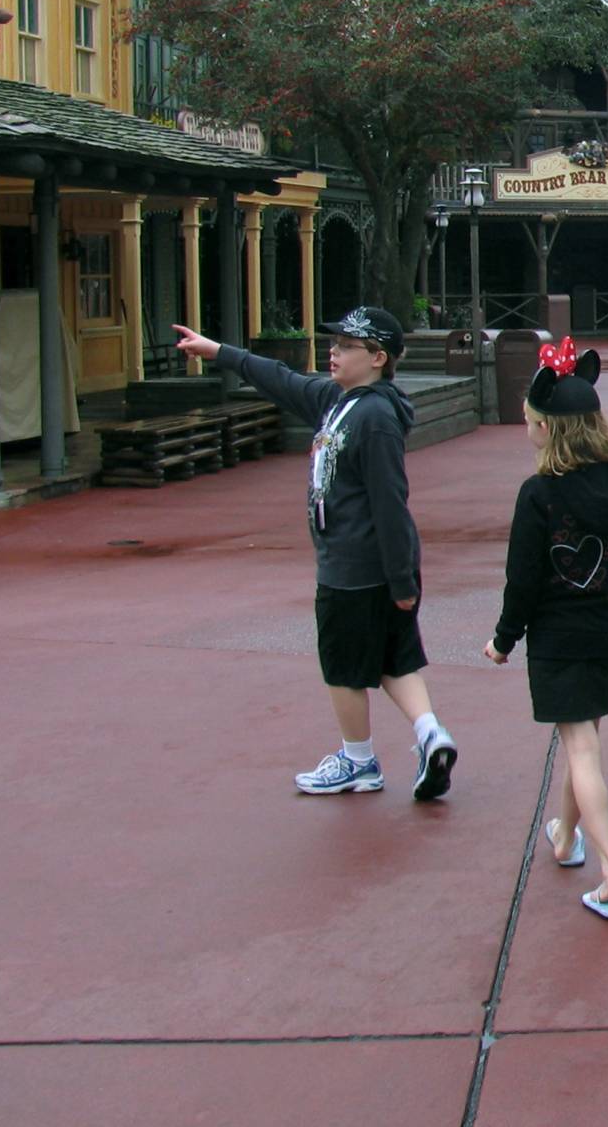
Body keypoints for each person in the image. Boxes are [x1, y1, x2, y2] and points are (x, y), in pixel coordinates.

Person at [174, 309, 458, 799]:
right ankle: (431, 733)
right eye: (335, 342)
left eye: (346, 345)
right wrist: (219, 351)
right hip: (374, 567)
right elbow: (281, 380)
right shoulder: (339, 401)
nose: (333, 351)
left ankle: (358, 760)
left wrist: (402, 580)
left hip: (355, 567)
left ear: (377, 357)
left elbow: (390, 501)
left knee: (344, 666)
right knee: (393, 657)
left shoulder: (373, 419)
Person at [483, 340, 608, 921]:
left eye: (531, 424)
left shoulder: (539, 494)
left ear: (549, 430)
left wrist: (504, 638)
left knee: (582, 746)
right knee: (581, 732)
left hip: (558, 637)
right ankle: (565, 834)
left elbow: (524, 578)